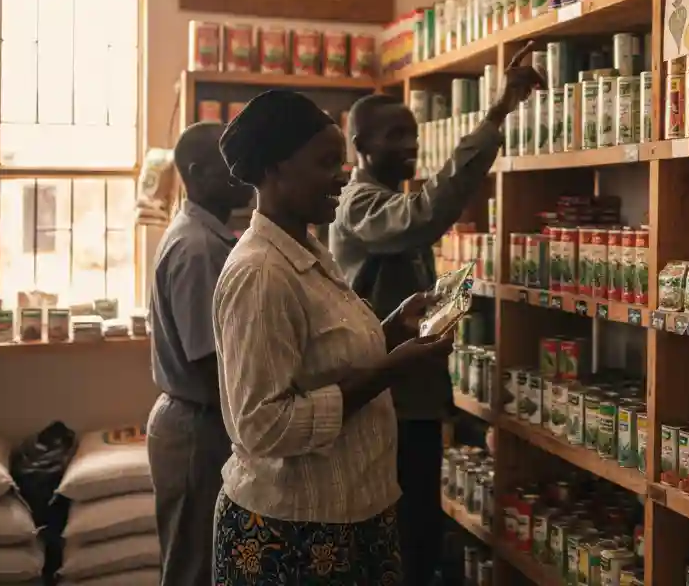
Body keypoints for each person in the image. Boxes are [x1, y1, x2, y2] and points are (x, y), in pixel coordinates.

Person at [212, 90, 453, 585]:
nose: (342, 176)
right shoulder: (261, 272)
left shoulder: (310, 249)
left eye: (341, 161)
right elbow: (261, 426)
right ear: (276, 169)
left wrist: (391, 331)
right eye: (325, 163)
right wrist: (390, 371)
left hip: (354, 514)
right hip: (291, 534)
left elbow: (323, 360)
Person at [329, 41, 543, 586]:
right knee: (403, 538)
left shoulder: (385, 196)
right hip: (388, 401)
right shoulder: (360, 202)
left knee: (420, 530)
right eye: (394, 136)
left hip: (413, 398)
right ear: (359, 147)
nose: (410, 145)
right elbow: (423, 217)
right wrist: (495, 115)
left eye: (413, 134)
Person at [145, 121, 251, 586]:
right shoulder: (198, 248)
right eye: (230, 165)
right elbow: (209, 362)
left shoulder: (206, 236)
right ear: (197, 171)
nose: (243, 175)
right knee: (194, 566)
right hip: (198, 426)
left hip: (200, 419)